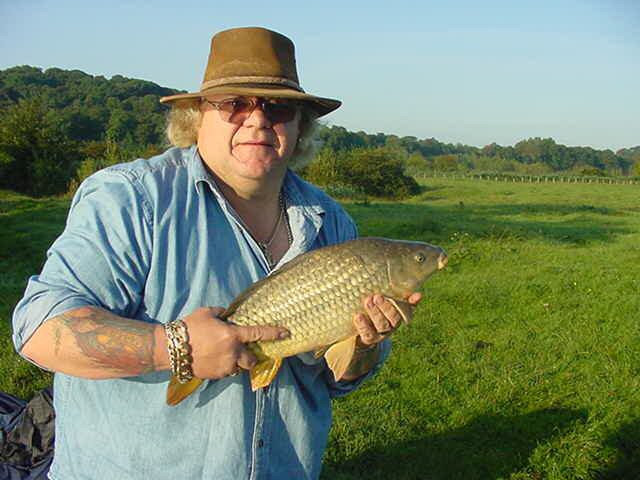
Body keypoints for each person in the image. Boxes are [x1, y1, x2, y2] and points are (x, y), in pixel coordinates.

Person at [12, 27, 422, 479]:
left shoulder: (331, 221)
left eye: (278, 106)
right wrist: (172, 347)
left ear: (301, 125)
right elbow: (40, 328)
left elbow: (336, 378)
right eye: (234, 104)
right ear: (197, 117)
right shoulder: (131, 199)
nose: (258, 119)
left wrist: (363, 344)